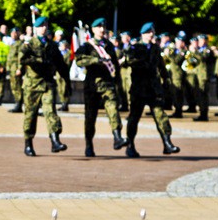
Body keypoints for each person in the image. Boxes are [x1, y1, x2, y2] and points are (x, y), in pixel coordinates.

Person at [123, 23, 180, 157]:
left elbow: (160, 64)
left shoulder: (155, 48)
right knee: (134, 118)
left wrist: (166, 79)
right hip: (139, 88)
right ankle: (130, 145)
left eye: (152, 32)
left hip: (153, 89)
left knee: (161, 116)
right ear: (143, 34)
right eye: (149, 32)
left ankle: (167, 143)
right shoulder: (135, 48)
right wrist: (143, 62)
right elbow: (129, 61)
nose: (151, 34)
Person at [74, 17, 127, 157]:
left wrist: (117, 82)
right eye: (98, 27)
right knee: (90, 117)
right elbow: (78, 60)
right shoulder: (87, 46)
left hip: (107, 84)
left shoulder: (109, 45)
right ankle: (89, 144)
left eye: (103, 27)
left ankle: (117, 137)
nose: (102, 30)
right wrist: (95, 60)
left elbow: (114, 64)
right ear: (93, 30)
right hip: (92, 86)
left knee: (113, 109)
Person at [18, 16, 70, 155]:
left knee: (50, 111)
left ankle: (55, 141)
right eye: (41, 26)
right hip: (32, 85)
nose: (44, 28)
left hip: (47, 84)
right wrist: (38, 60)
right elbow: (21, 59)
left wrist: (67, 81)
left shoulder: (52, 45)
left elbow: (61, 65)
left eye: (46, 25)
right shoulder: (29, 44)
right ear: (36, 28)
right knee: (30, 114)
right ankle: (28, 143)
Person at [6, 27, 24, 112]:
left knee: (17, 87)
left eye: (15, 33)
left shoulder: (20, 44)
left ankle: (19, 104)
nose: (13, 34)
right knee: (14, 86)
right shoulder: (13, 44)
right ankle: (17, 102)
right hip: (11, 68)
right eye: (12, 33)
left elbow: (20, 57)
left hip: (16, 69)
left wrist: (19, 68)